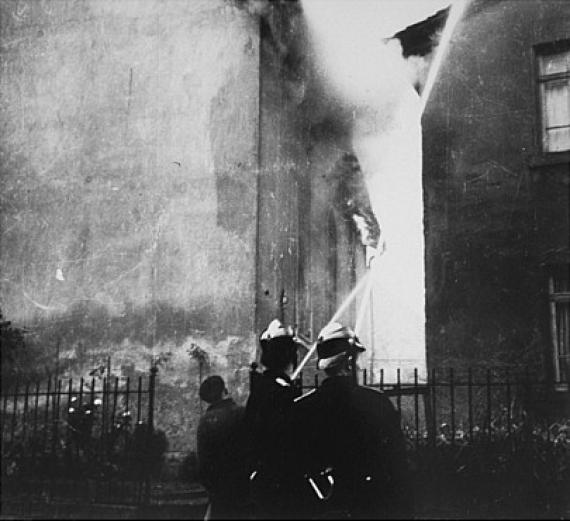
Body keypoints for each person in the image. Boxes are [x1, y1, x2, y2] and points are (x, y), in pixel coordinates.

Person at [291, 322, 413, 519]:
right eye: (355, 359)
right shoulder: (377, 403)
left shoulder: (302, 407)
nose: (357, 365)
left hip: (322, 505)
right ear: (348, 361)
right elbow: (397, 463)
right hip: (369, 504)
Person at [245, 318, 303, 519]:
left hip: (264, 480)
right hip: (285, 482)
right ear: (289, 355)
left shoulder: (261, 388)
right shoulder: (283, 392)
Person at [196, 375, 251, 520]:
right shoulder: (242, 413)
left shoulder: (206, 421)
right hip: (243, 485)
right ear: (224, 391)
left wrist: (212, 488)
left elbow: (203, 463)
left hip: (219, 489)